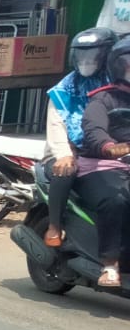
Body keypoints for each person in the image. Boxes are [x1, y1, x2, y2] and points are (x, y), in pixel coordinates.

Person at [42, 27, 113, 247]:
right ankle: (54, 225)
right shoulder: (64, 89)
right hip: (68, 151)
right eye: (82, 55)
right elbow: (56, 125)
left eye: (92, 55)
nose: (87, 61)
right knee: (65, 170)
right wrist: (64, 154)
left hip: (107, 151)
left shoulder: (116, 85)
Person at [77, 34, 130, 288]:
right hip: (100, 165)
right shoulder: (104, 98)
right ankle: (110, 264)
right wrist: (110, 147)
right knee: (116, 199)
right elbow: (94, 129)